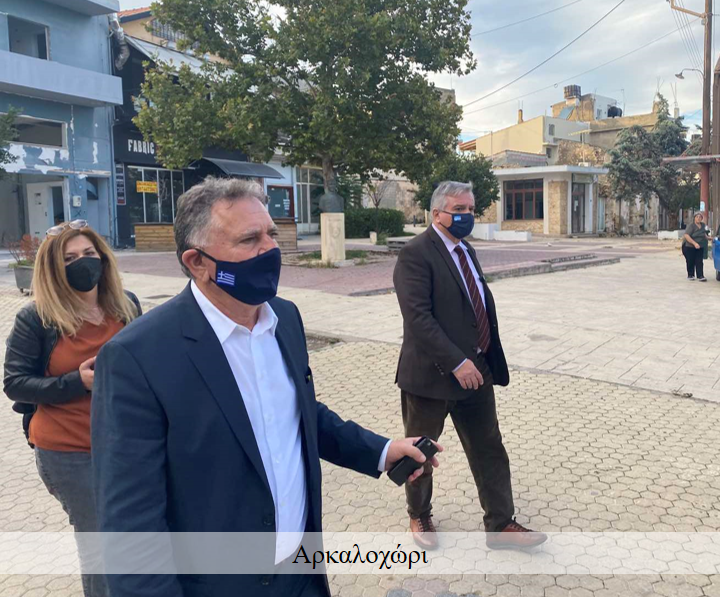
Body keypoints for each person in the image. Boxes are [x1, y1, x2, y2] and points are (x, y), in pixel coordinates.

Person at [91, 178, 441, 597]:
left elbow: (299, 413)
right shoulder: (137, 357)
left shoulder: (284, 319)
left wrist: (381, 451)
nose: (271, 249)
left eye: (271, 234)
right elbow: (131, 528)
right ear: (198, 262)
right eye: (250, 239)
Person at [393, 181, 547, 551]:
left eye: (471, 210)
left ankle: (500, 524)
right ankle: (419, 513)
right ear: (436, 214)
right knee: (421, 452)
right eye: (458, 209)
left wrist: (477, 357)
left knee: (489, 448)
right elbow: (418, 319)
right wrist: (456, 361)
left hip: (476, 373)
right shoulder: (415, 254)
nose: (466, 216)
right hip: (430, 377)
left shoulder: (466, 250)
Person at [3, 220, 141, 597]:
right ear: (53, 268)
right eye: (69, 258)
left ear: (102, 258)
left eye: (88, 253)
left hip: (126, 445)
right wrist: (76, 382)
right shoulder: (37, 318)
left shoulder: (126, 306)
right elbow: (15, 383)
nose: (82, 262)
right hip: (70, 452)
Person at [682, 212, 712, 282]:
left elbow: (703, 233)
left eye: (700, 217)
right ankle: (690, 275)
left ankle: (700, 276)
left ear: (702, 218)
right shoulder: (691, 226)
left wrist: (709, 238)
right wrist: (694, 243)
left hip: (700, 246)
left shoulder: (703, 225)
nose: (698, 218)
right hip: (689, 246)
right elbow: (686, 235)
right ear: (694, 218)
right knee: (690, 261)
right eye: (697, 217)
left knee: (699, 261)